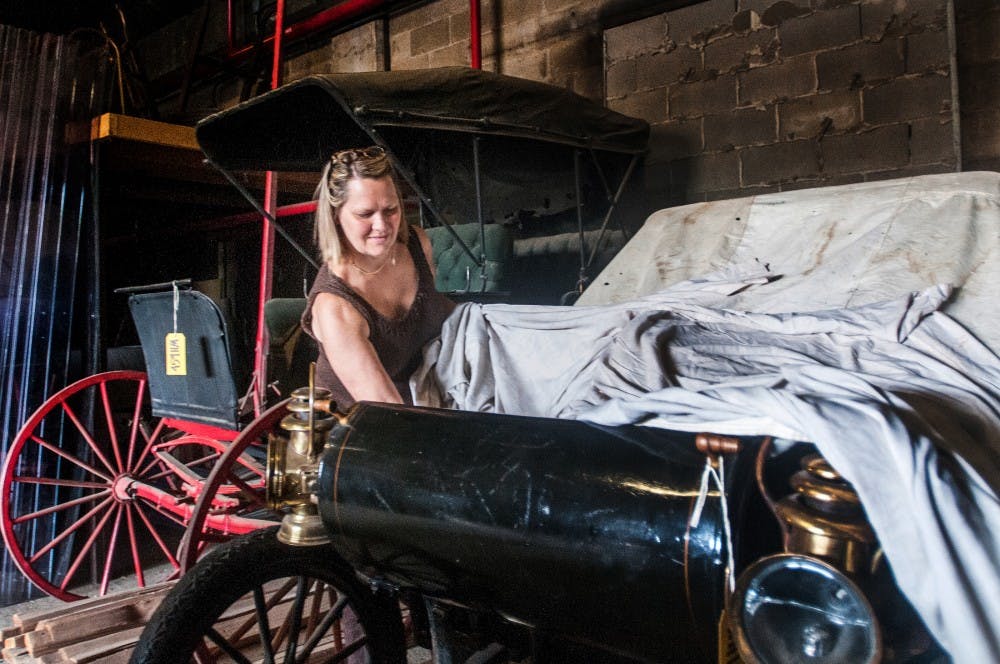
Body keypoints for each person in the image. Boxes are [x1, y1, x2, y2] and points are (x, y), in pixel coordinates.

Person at [301, 145, 455, 409]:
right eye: (365, 214)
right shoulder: (335, 306)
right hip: (361, 426)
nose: (382, 226)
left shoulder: (418, 245)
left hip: (431, 396)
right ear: (336, 216)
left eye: (390, 210)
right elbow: (388, 411)